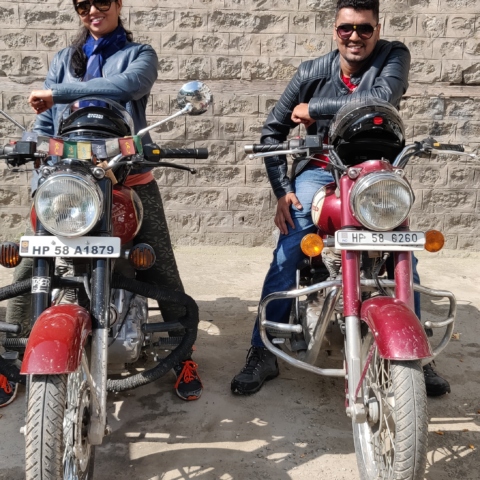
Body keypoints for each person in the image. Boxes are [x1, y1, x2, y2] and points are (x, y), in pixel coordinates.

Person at [231, 0, 450, 397]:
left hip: (375, 173)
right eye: (346, 28)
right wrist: (282, 191)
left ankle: (417, 355)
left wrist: (313, 108)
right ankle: (262, 349)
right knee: (292, 246)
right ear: (335, 30)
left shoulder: (393, 56)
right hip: (320, 170)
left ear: (377, 29)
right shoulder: (310, 72)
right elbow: (272, 132)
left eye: (364, 28)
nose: (355, 36)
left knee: (402, 249)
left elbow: (381, 97)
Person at [4, 0, 202, 402]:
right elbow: (47, 121)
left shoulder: (139, 54)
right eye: (83, 4)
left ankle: (182, 354)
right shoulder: (66, 59)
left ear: (118, 4)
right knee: (29, 259)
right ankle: (11, 356)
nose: (93, 10)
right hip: (70, 181)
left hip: (128, 173)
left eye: (102, 1)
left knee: (160, 266)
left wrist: (57, 92)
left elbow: (125, 88)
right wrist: (29, 144)